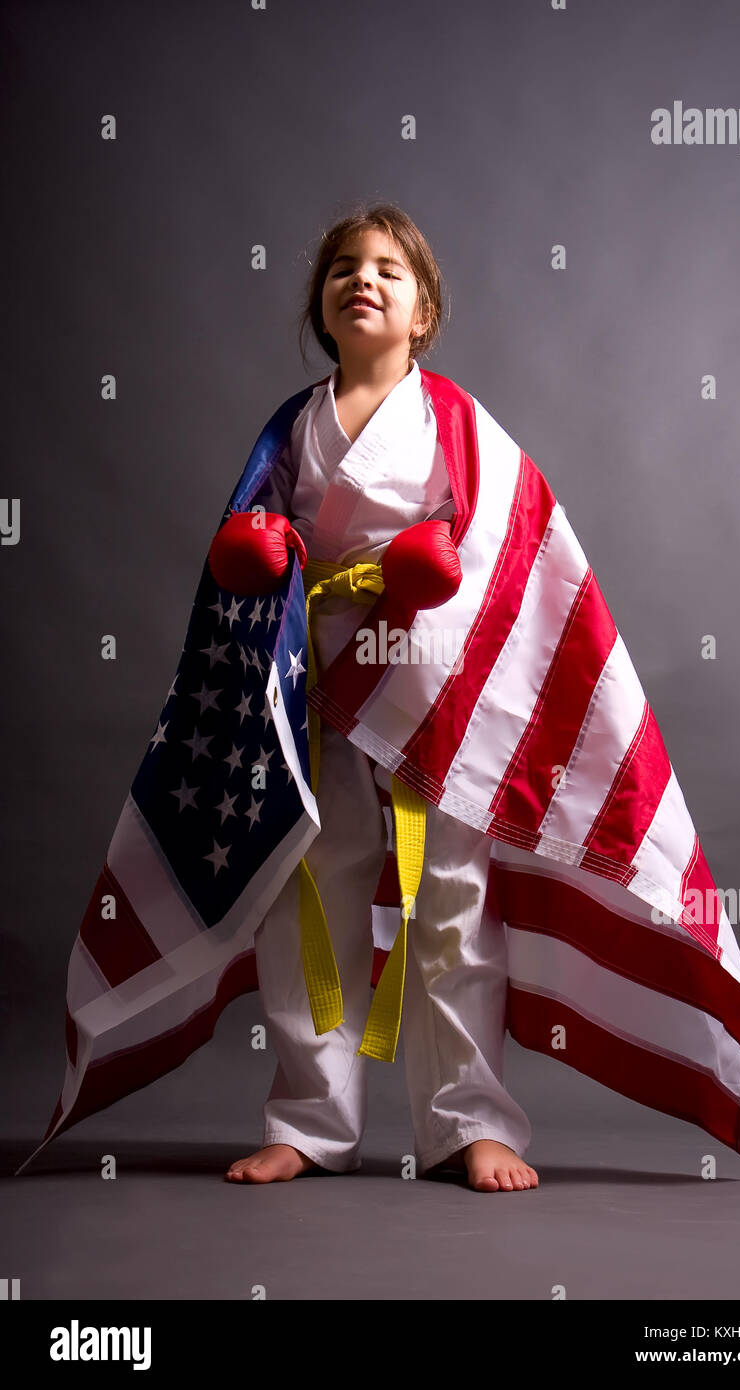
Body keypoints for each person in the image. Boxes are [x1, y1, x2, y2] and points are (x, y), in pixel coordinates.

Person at [223, 204, 539, 1193]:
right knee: (307, 896)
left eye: (388, 271)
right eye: (344, 268)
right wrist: (249, 554)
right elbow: (252, 537)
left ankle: (468, 1123)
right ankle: (310, 1121)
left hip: (429, 679)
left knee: (451, 898)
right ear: (322, 304)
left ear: (423, 313)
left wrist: (433, 564)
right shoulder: (292, 425)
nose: (364, 279)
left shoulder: (454, 420)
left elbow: (515, 538)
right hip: (317, 682)